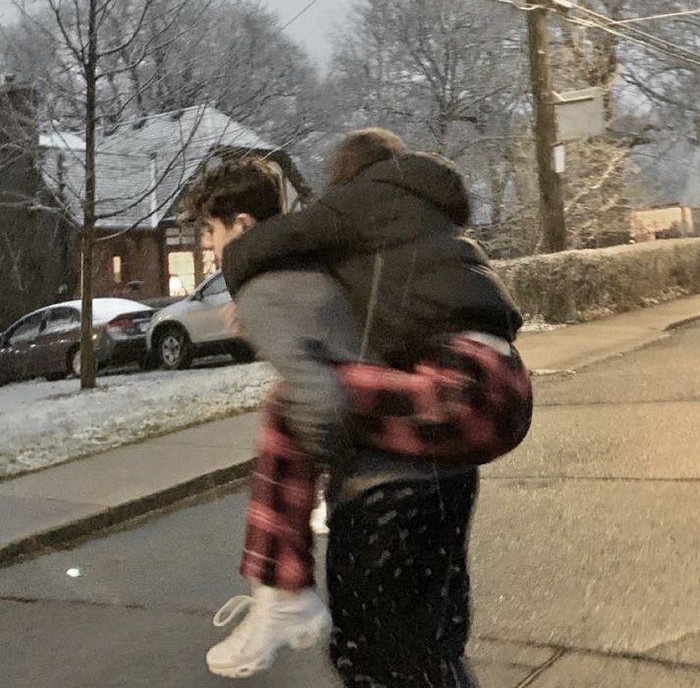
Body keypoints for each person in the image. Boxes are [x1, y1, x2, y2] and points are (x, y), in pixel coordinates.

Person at [202, 131, 531, 685]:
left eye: (210, 233)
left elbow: (319, 395)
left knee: (287, 407)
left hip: (455, 392)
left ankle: (282, 591)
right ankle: (283, 593)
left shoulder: (363, 201)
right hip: (501, 389)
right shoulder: (424, 221)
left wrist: (243, 274)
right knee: (432, 650)